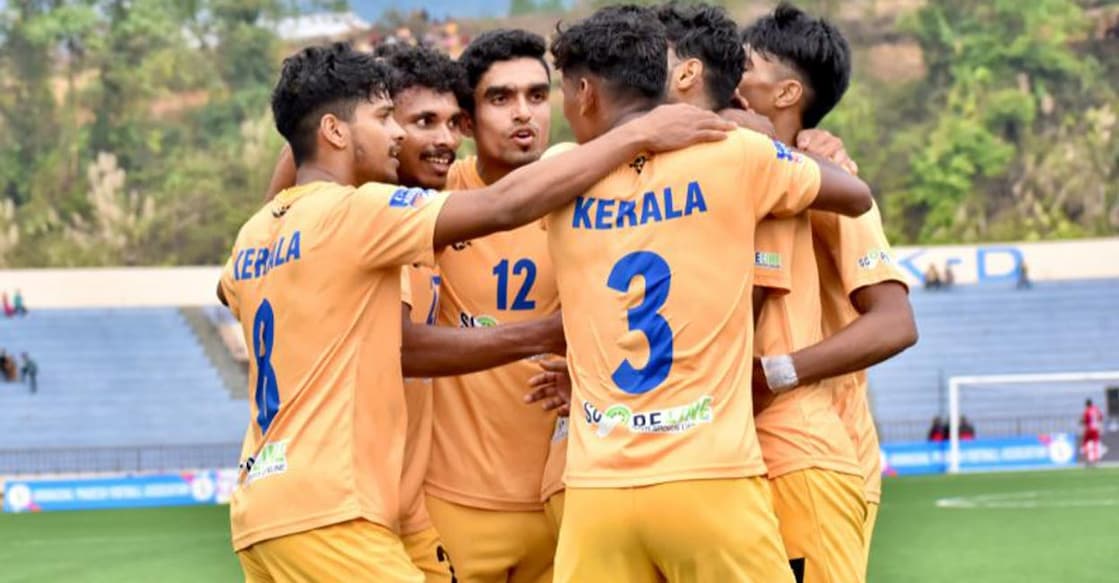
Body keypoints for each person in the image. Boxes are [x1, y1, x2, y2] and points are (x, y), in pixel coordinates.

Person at [219, 41, 731, 582]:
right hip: (332, 507)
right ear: (336, 131)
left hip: (266, 509)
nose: (399, 135)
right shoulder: (357, 213)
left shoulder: (254, 236)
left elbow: (231, 286)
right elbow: (503, 206)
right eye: (384, 116)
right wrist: (638, 133)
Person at [545, 6, 871, 582]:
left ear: (587, 93)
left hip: (599, 486)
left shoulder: (559, 171)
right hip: (712, 474)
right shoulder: (738, 156)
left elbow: (499, 203)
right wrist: (777, 141)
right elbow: (854, 194)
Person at [738, 4, 918, 578]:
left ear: (787, 93)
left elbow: (896, 322)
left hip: (812, 454)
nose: (727, 77)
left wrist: (776, 372)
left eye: (744, 67)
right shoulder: (729, 174)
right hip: (734, 451)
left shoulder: (829, 182)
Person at [421, 29, 566, 583]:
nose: (522, 113)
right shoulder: (433, 197)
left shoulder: (592, 194)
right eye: (500, 98)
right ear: (467, 118)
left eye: (536, 95)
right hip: (454, 502)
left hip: (563, 499)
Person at [1081, 399, 1104, 467]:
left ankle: (1087, 461)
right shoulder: (1096, 409)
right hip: (1095, 429)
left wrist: (1081, 422)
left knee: (1085, 444)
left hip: (1088, 429)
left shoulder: (1086, 411)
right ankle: (1096, 461)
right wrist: (1099, 426)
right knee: (1095, 445)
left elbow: (1084, 421)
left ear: (1086, 404)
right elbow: (1101, 417)